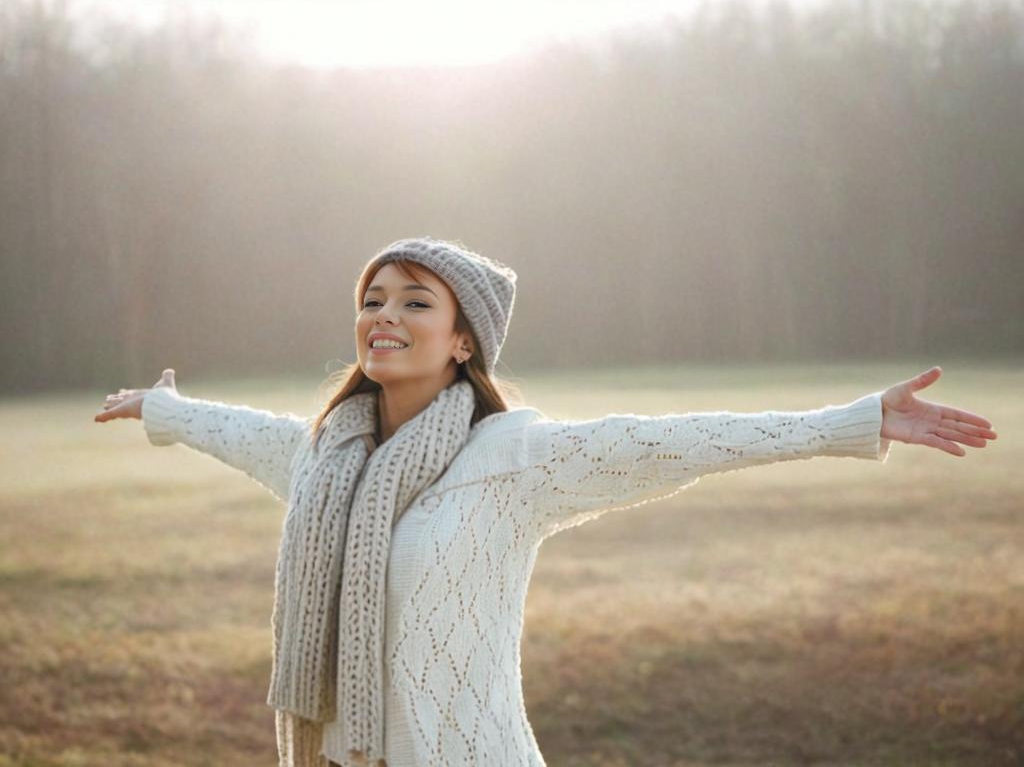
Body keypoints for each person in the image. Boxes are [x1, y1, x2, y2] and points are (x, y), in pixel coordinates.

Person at [94, 236, 997, 767]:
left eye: (416, 301)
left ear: (461, 343)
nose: (385, 316)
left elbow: (671, 442)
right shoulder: (330, 462)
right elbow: (250, 435)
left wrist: (849, 421)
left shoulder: (511, 457)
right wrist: (167, 410)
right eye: (373, 299)